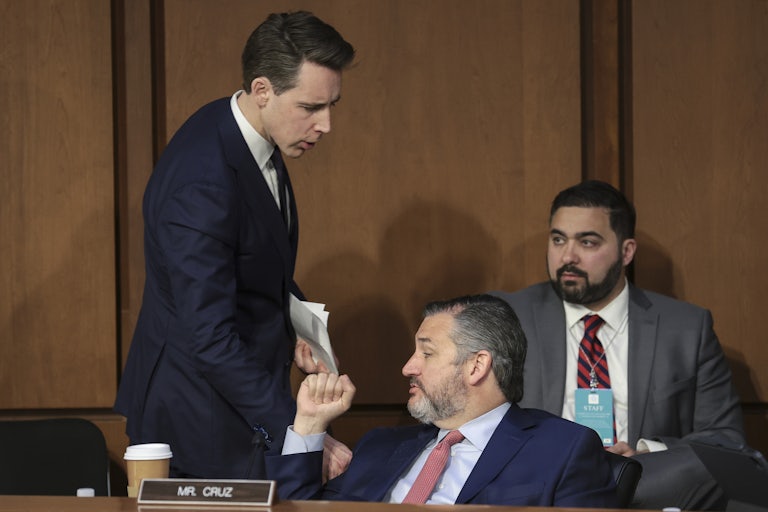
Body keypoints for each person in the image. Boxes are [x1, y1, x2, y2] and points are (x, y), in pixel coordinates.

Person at [114, 11, 356, 485]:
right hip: (195, 419)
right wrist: (299, 431)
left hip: (229, 401)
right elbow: (210, 337)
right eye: (310, 107)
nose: (325, 124)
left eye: (332, 105)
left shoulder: (249, 131)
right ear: (262, 89)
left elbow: (252, 259)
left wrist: (297, 324)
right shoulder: (203, 179)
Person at [491, 180, 746, 510]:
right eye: (558, 239)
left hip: (645, 485)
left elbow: (727, 440)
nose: (567, 256)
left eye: (587, 242)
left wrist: (645, 451)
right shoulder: (508, 316)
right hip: (538, 489)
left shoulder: (685, 327)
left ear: (626, 252)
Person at [278, 294, 619, 506]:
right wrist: (309, 424)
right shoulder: (379, 446)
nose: (407, 367)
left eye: (426, 353)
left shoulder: (563, 449)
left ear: (477, 365)